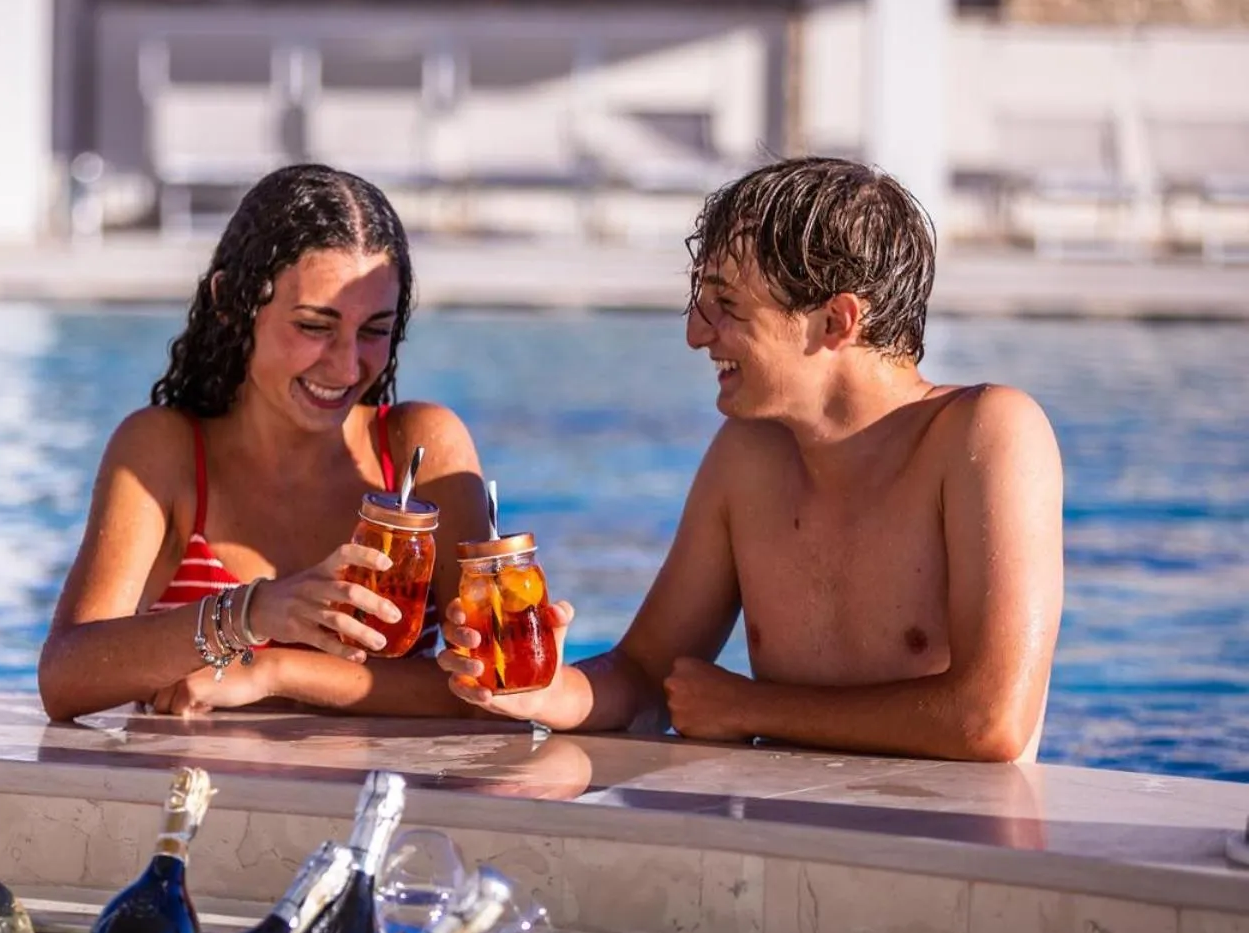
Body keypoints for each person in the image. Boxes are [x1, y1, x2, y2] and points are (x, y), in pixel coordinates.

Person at [440, 157, 1064, 762]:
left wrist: (751, 709)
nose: (696, 333)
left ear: (834, 321)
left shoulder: (987, 435)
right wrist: (543, 690)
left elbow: (991, 722)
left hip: (947, 852)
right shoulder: (749, 456)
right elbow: (644, 674)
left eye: (728, 307)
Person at [39, 164, 490, 721]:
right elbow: (66, 678)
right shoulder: (167, 453)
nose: (348, 365)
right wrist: (248, 615)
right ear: (232, 304)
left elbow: (486, 691)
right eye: (314, 326)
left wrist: (274, 670)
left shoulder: (418, 449)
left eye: (375, 330)